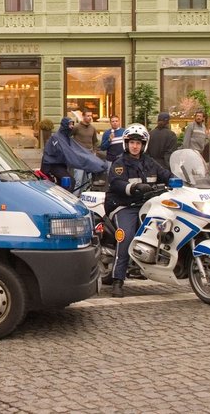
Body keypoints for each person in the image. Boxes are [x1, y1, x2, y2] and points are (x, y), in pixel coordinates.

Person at [105, 123, 172, 298]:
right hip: (124, 206)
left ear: (144, 145)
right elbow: (117, 183)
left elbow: (165, 174)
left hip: (147, 205)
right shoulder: (119, 164)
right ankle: (118, 280)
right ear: (126, 144)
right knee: (126, 236)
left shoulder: (150, 162)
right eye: (132, 142)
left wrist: (180, 180)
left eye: (139, 143)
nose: (135, 146)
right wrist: (135, 187)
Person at [41, 117, 107, 192]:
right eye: (70, 124)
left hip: (61, 165)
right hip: (52, 165)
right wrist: (83, 161)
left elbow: (77, 150)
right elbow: (68, 153)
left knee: (62, 184)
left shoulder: (66, 138)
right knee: (70, 181)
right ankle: (66, 200)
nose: (72, 126)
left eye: (72, 124)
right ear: (65, 125)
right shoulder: (57, 137)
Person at [71, 111, 100, 194]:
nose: (90, 117)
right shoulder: (77, 127)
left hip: (89, 156)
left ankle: (84, 197)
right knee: (78, 179)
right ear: (83, 116)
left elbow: (95, 141)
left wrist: (94, 152)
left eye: (91, 115)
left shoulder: (92, 128)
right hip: (79, 156)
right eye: (88, 115)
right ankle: (74, 197)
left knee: (87, 180)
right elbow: (69, 137)